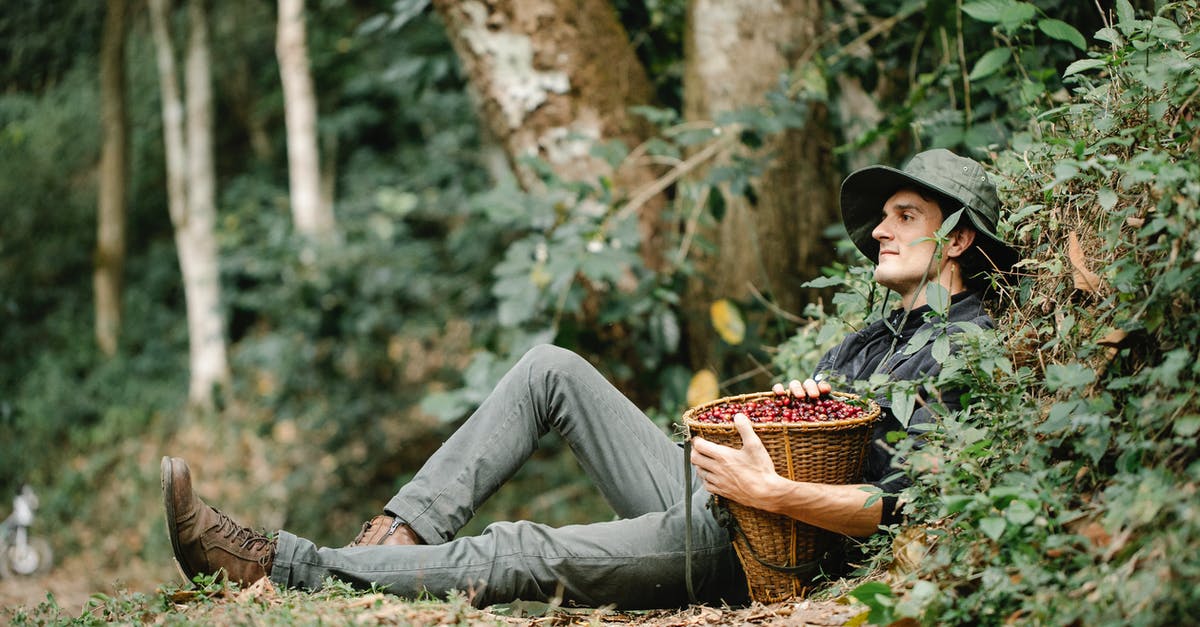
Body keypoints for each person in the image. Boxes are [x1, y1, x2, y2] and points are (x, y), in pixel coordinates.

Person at [161, 148, 1018, 609]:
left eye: (905, 217)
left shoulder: (966, 348)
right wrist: (756, 436)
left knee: (523, 549)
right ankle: (392, 540)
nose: (879, 232)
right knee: (550, 367)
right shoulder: (873, 337)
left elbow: (902, 509)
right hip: (724, 500)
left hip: (762, 549)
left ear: (961, 239)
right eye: (883, 218)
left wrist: (771, 488)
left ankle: (287, 564)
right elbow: (795, 435)